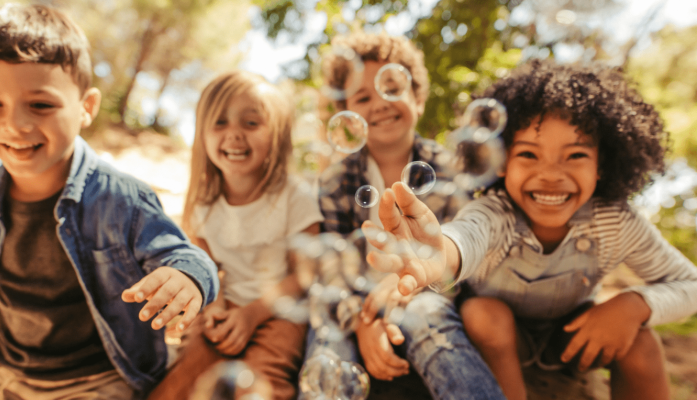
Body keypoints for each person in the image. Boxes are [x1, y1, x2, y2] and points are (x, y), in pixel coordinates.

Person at [0, 4, 218, 399]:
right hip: (10, 378)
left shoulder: (120, 199)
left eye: (41, 105)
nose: (15, 124)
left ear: (86, 107)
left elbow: (185, 256)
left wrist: (187, 278)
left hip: (102, 381)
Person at [364, 59, 697, 400]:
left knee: (642, 341)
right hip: (497, 339)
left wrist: (634, 303)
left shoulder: (615, 222)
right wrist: (439, 253)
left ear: (603, 165)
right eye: (528, 154)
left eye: (576, 155)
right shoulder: (497, 212)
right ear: (501, 163)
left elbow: (691, 285)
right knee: (483, 313)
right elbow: (466, 236)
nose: (550, 174)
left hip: (569, 337)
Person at [309, 31, 505, 399]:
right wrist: (363, 321)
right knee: (326, 341)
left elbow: (455, 258)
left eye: (393, 89)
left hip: (426, 296)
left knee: (430, 319)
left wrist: (403, 294)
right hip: (352, 303)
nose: (380, 103)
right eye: (363, 97)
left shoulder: (448, 169)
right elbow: (331, 266)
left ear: (417, 98)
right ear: (347, 117)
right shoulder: (336, 181)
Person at [147, 70, 323, 400]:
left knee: (264, 381)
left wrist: (252, 314)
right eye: (220, 123)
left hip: (279, 312)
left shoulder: (294, 195)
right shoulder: (204, 203)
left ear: (278, 135)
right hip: (224, 309)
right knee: (179, 384)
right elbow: (205, 267)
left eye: (251, 123)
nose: (234, 135)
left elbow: (304, 273)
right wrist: (215, 307)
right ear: (202, 134)